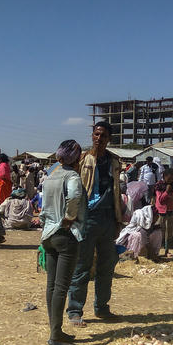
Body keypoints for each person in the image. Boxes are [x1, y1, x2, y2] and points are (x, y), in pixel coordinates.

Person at [67, 121, 123, 326]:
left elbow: (118, 192)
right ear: (92, 136)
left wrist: (118, 219)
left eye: (103, 135)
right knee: (81, 266)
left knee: (106, 267)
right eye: (96, 134)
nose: (99, 138)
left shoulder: (114, 162)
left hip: (108, 219)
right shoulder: (82, 159)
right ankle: (74, 310)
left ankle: (102, 308)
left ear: (109, 139)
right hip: (86, 218)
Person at [40, 140, 86, 345]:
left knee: (51, 286)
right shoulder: (71, 176)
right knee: (61, 287)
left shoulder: (50, 175)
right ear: (76, 157)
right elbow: (75, 195)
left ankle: (55, 330)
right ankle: (55, 335)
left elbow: (43, 204)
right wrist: (69, 217)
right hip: (65, 234)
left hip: (48, 235)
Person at [154, 168, 173, 256]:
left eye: (172, 179)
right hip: (161, 211)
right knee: (160, 231)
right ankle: (157, 250)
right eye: (169, 179)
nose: (170, 181)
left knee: (169, 231)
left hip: (170, 210)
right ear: (164, 177)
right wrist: (167, 192)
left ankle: (167, 250)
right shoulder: (159, 185)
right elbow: (160, 200)